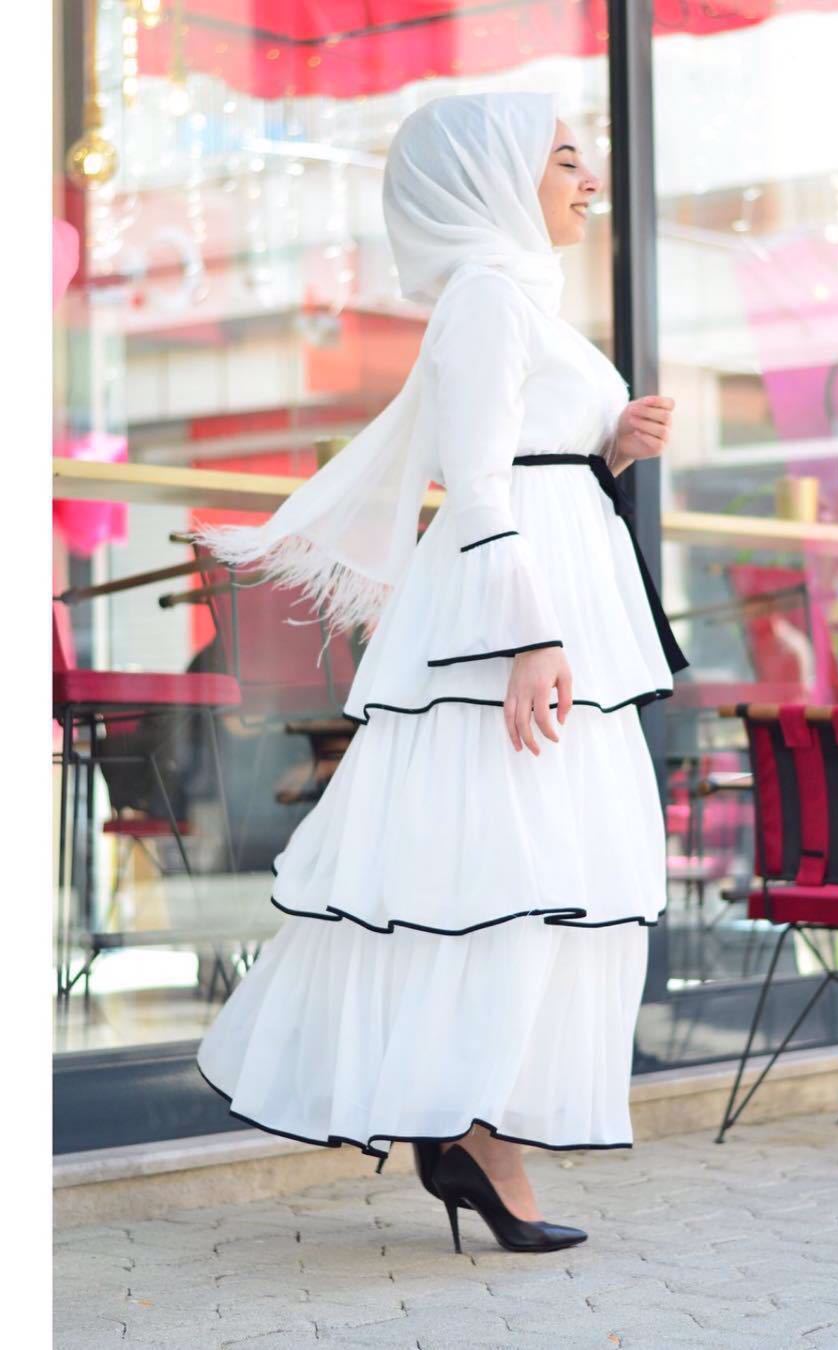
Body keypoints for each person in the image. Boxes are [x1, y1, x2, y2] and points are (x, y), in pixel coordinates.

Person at [193, 90, 689, 1256]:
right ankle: (473, 1134)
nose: (589, 182)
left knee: (542, 877)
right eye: (567, 161)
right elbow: (475, 488)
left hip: (557, 603)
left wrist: (612, 443)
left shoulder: (521, 300)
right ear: (493, 178)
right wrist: (530, 638)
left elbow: (535, 458)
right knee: (507, 879)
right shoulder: (483, 301)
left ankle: (479, 1131)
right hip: (514, 621)